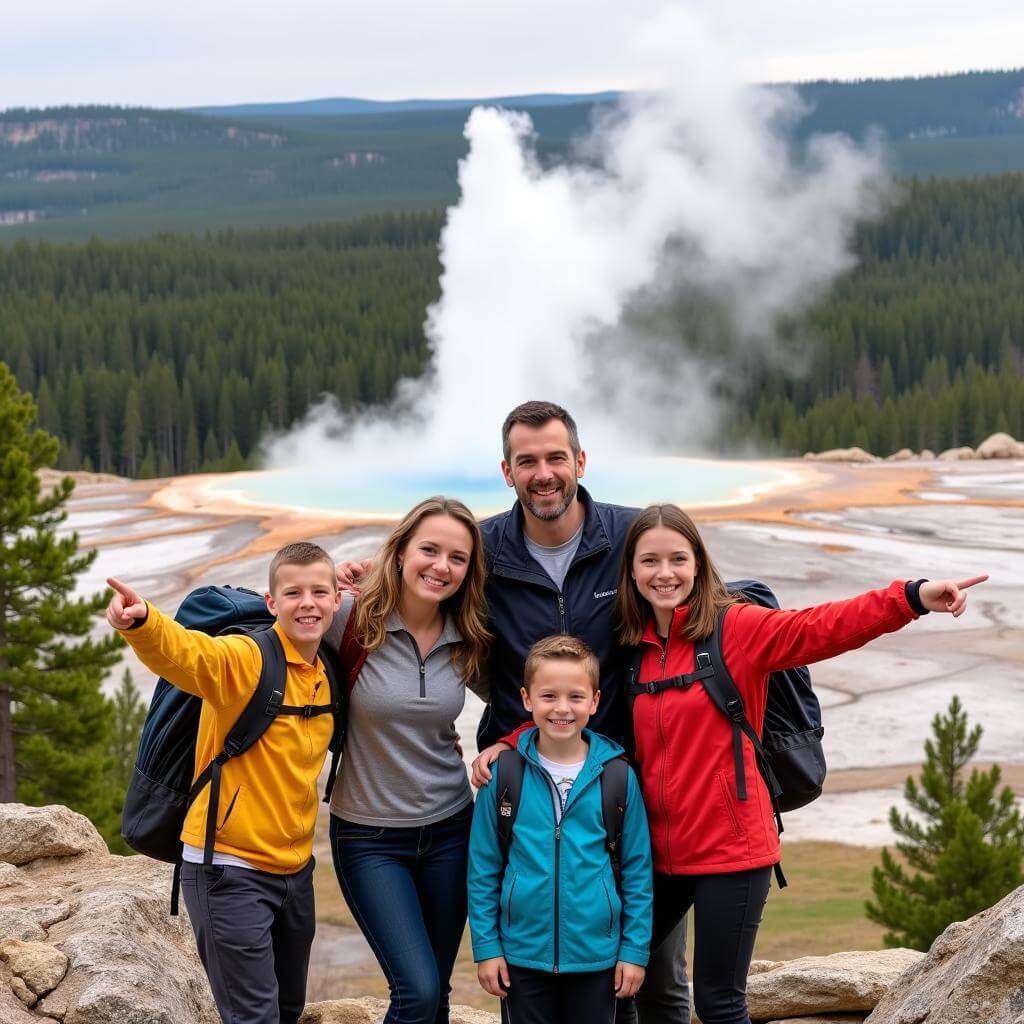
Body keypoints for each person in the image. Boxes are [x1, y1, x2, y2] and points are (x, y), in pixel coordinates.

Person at [340, 401, 690, 1024]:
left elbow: (695, 591)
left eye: (556, 457)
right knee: (527, 983)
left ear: (580, 461)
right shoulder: (484, 550)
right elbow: (428, 593)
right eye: (527, 461)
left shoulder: (631, 537)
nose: (544, 473)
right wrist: (362, 580)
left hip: (624, 786)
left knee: (654, 981)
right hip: (521, 786)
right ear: (506, 471)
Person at [617, 503, 987, 1024]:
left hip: (734, 853)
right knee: (611, 981)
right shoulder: (630, 645)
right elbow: (561, 696)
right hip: (657, 854)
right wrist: (508, 742)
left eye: (678, 558)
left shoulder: (736, 628)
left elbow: (823, 627)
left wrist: (910, 597)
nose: (665, 573)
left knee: (719, 1005)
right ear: (631, 571)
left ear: (698, 564)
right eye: (650, 561)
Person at [106, 541, 343, 1024]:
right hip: (227, 869)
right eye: (294, 592)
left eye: (320, 592)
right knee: (252, 1016)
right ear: (272, 602)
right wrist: (143, 622)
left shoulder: (325, 674)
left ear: (337, 601)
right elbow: (188, 654)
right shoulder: (246, 658)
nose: (309, 603)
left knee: (288, 1009)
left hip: (295, 873)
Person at [324, 496, 490, 1024]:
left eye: (457, 558)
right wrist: (326, 576)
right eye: (429, 549)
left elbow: (530, 698)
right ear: (399, 552)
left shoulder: (470, 637)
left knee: (435, 994)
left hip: (452, 831)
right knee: (415, 992)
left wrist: (505, 745)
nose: (441, 566)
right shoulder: (350, 619)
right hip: (368, 837)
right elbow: (273, 609)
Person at [468, 635, 653, 1024]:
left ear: (595, 701)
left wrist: (633, 952)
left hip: (596, 958)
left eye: (575, 697)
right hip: (521, 956)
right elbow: (483, 869)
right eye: (549, 696)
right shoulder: (504, 774)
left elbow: (637, 873)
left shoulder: (618, 776)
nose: (562, 709)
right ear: (526, 699)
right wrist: (487, 948)